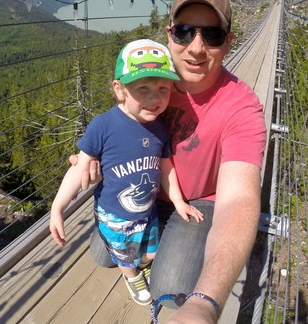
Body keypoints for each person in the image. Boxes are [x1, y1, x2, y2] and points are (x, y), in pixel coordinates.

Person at [81, 0, 266, 323]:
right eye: (184, 32)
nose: (196, 48)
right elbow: (119, 124)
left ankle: (160, 252)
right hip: (146, 186)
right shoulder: (150, 80)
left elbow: (239, 198)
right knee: (102, 256)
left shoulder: (242, 107)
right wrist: (89, 156)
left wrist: (205, 304)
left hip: (197, 200)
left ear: (228, 42)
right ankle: (151, 244)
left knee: (173, 286)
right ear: (169, 35)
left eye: (211, 35)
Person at [49, 39, 204, 306]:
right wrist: (58, 207)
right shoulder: (103, 126)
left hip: (146, 211)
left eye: (163, 89)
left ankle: (138, 264)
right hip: (115, 217)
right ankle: (131, 278)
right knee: (125, 258)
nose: (155, 99)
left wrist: (179, 201)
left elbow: (165, 167)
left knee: (149, 253)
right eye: (142, 88)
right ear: (119, 90)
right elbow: (79, 169)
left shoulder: (159, 128)